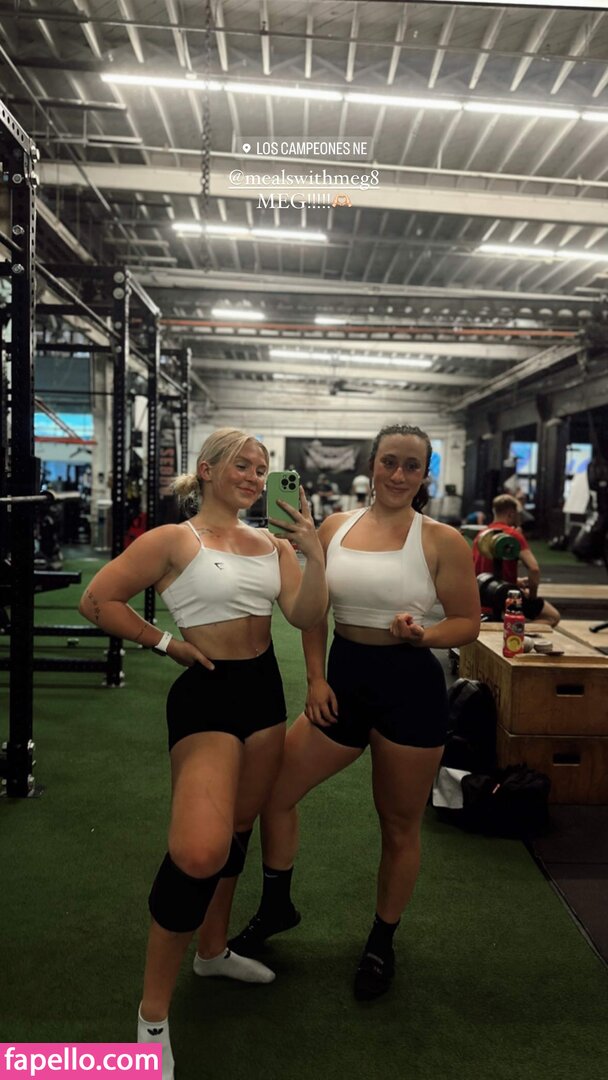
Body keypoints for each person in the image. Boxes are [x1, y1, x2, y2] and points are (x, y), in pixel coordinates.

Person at [79, 428, 328, 1079]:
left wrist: (314, 554)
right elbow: (96, 600)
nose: (254, 476)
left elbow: (305, 616)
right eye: (242, 465)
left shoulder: (274, 545)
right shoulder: (173, 539)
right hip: (206, 693)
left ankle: (212, 951)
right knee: (197, 851)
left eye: (262, 469)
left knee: (237, 833)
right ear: (208, 470)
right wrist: (165, 643)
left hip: (263, 696)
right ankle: (152, 1016)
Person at [226, 423, 480, 1001]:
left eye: (411, 466)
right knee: (273, 792)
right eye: (389, 461)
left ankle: (381, 941)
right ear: (371, 465)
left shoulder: (441, 540)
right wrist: (315, 678)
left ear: (425, 475)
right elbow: (314, 608)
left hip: (410, 688)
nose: (398, 474)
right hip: (342, 683)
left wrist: (425, 634)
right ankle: (277, 905)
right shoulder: (334, 527)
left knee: (398, 825)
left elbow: (468, 622)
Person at [472, 493, 560, 626]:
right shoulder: (512, 535)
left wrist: (515, 581)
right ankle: (514, 629)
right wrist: (532, 597)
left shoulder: (481, 535)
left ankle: (510, 626)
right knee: (552, 616)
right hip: (504, 596)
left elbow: (480, 571)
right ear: (511, 514)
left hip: (481, 596)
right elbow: (534, 569)